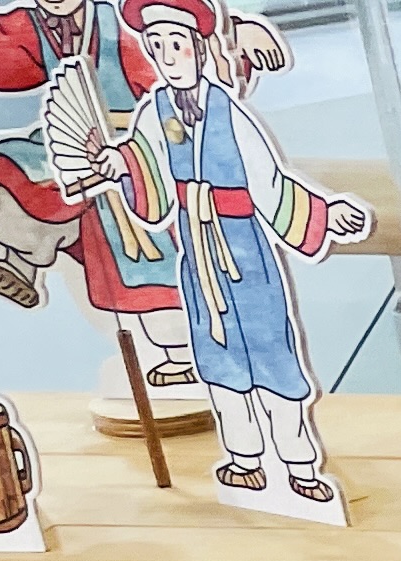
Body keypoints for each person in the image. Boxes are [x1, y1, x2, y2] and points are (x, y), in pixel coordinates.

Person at [0, 0, 269, 373]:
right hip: (72, 148)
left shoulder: (125, 25)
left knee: (160, 269)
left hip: (145, 153)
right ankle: (24, 260)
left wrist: (235, 38)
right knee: (19, 180)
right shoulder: (38, 27)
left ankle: (185, 356)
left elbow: (187, 59)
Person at [77, 0, 363, 504]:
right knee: (218, 355)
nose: (169, 56)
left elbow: (270, 183)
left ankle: (299, 464)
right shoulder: (155, 112)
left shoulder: (231, 113)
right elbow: (145, 163)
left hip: (246, 251)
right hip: (195, 248)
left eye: (177, 44)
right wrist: (118, 164)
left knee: (272, 349)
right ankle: (245, 458)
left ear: (199, 47)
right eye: (157, 46)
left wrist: (324, 214)